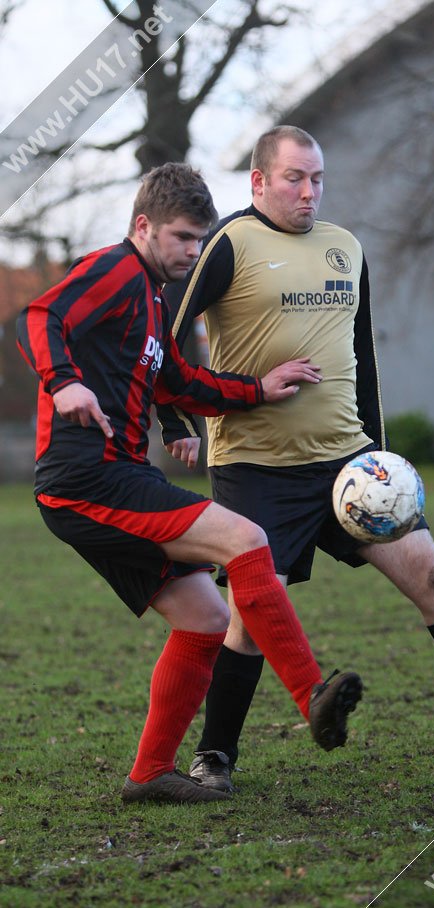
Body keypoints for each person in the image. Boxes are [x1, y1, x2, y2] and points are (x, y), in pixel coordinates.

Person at [159, 127, 434, 794]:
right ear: (257, 182)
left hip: (349, 468)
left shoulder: (345, 248)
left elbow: (361, 365)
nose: (308, 191)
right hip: (256, 470)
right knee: (250, 617)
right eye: (293, 178)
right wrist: (175, 417)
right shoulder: (228, 243)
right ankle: (214, 755)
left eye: (317, 179)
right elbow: (166, 327)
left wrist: (381, 454)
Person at [16, 161, 363, 806]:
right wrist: (62, 380)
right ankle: (312, 692)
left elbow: (180, 382)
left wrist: (258, 389)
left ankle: (150, 774)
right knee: (246, 539)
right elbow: (39, 316)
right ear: (143, 226)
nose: (193, 252)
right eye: (182, 238)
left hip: (113, 478)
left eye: (201, 241)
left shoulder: (152, 299)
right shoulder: (117, 269)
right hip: (87, 479)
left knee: (205, 618)